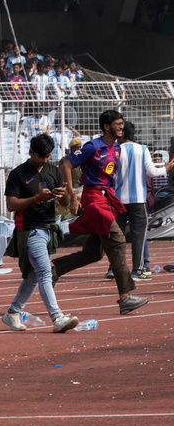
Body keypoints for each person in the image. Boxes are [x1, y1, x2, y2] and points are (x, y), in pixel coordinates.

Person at [53, 111, 149, 315]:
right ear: (106, 126)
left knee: (94, 253)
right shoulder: (93, 147)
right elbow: (66, 165)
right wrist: (72, 196)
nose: (122, 126)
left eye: (122, 123)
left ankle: (54, 270)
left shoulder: (117, 148)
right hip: (93, 199)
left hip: (107, 199)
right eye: (118, 124)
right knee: (118, 239)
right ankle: (125, 297)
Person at [1, 134, 79, 333]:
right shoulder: (18, 174)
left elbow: (64, 205)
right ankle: (57, 317)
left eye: (47, 156)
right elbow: (10, 205)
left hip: (49, 229)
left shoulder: (53, 171)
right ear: (30, 152)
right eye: (40, 156)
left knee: (34, 276)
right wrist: (36, 198)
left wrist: (64, 197)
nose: (44, 160)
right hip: (29, 231)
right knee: (45, 272)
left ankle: (13, 311)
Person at [116, 121, 174, 280]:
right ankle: (138, 269)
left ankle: (113, 268)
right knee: (138, 236)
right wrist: (166, 168)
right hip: (138, 199)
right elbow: (153, 172)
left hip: (118, 199)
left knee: (117, 236)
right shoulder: (142, 149)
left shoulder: (114, 150)